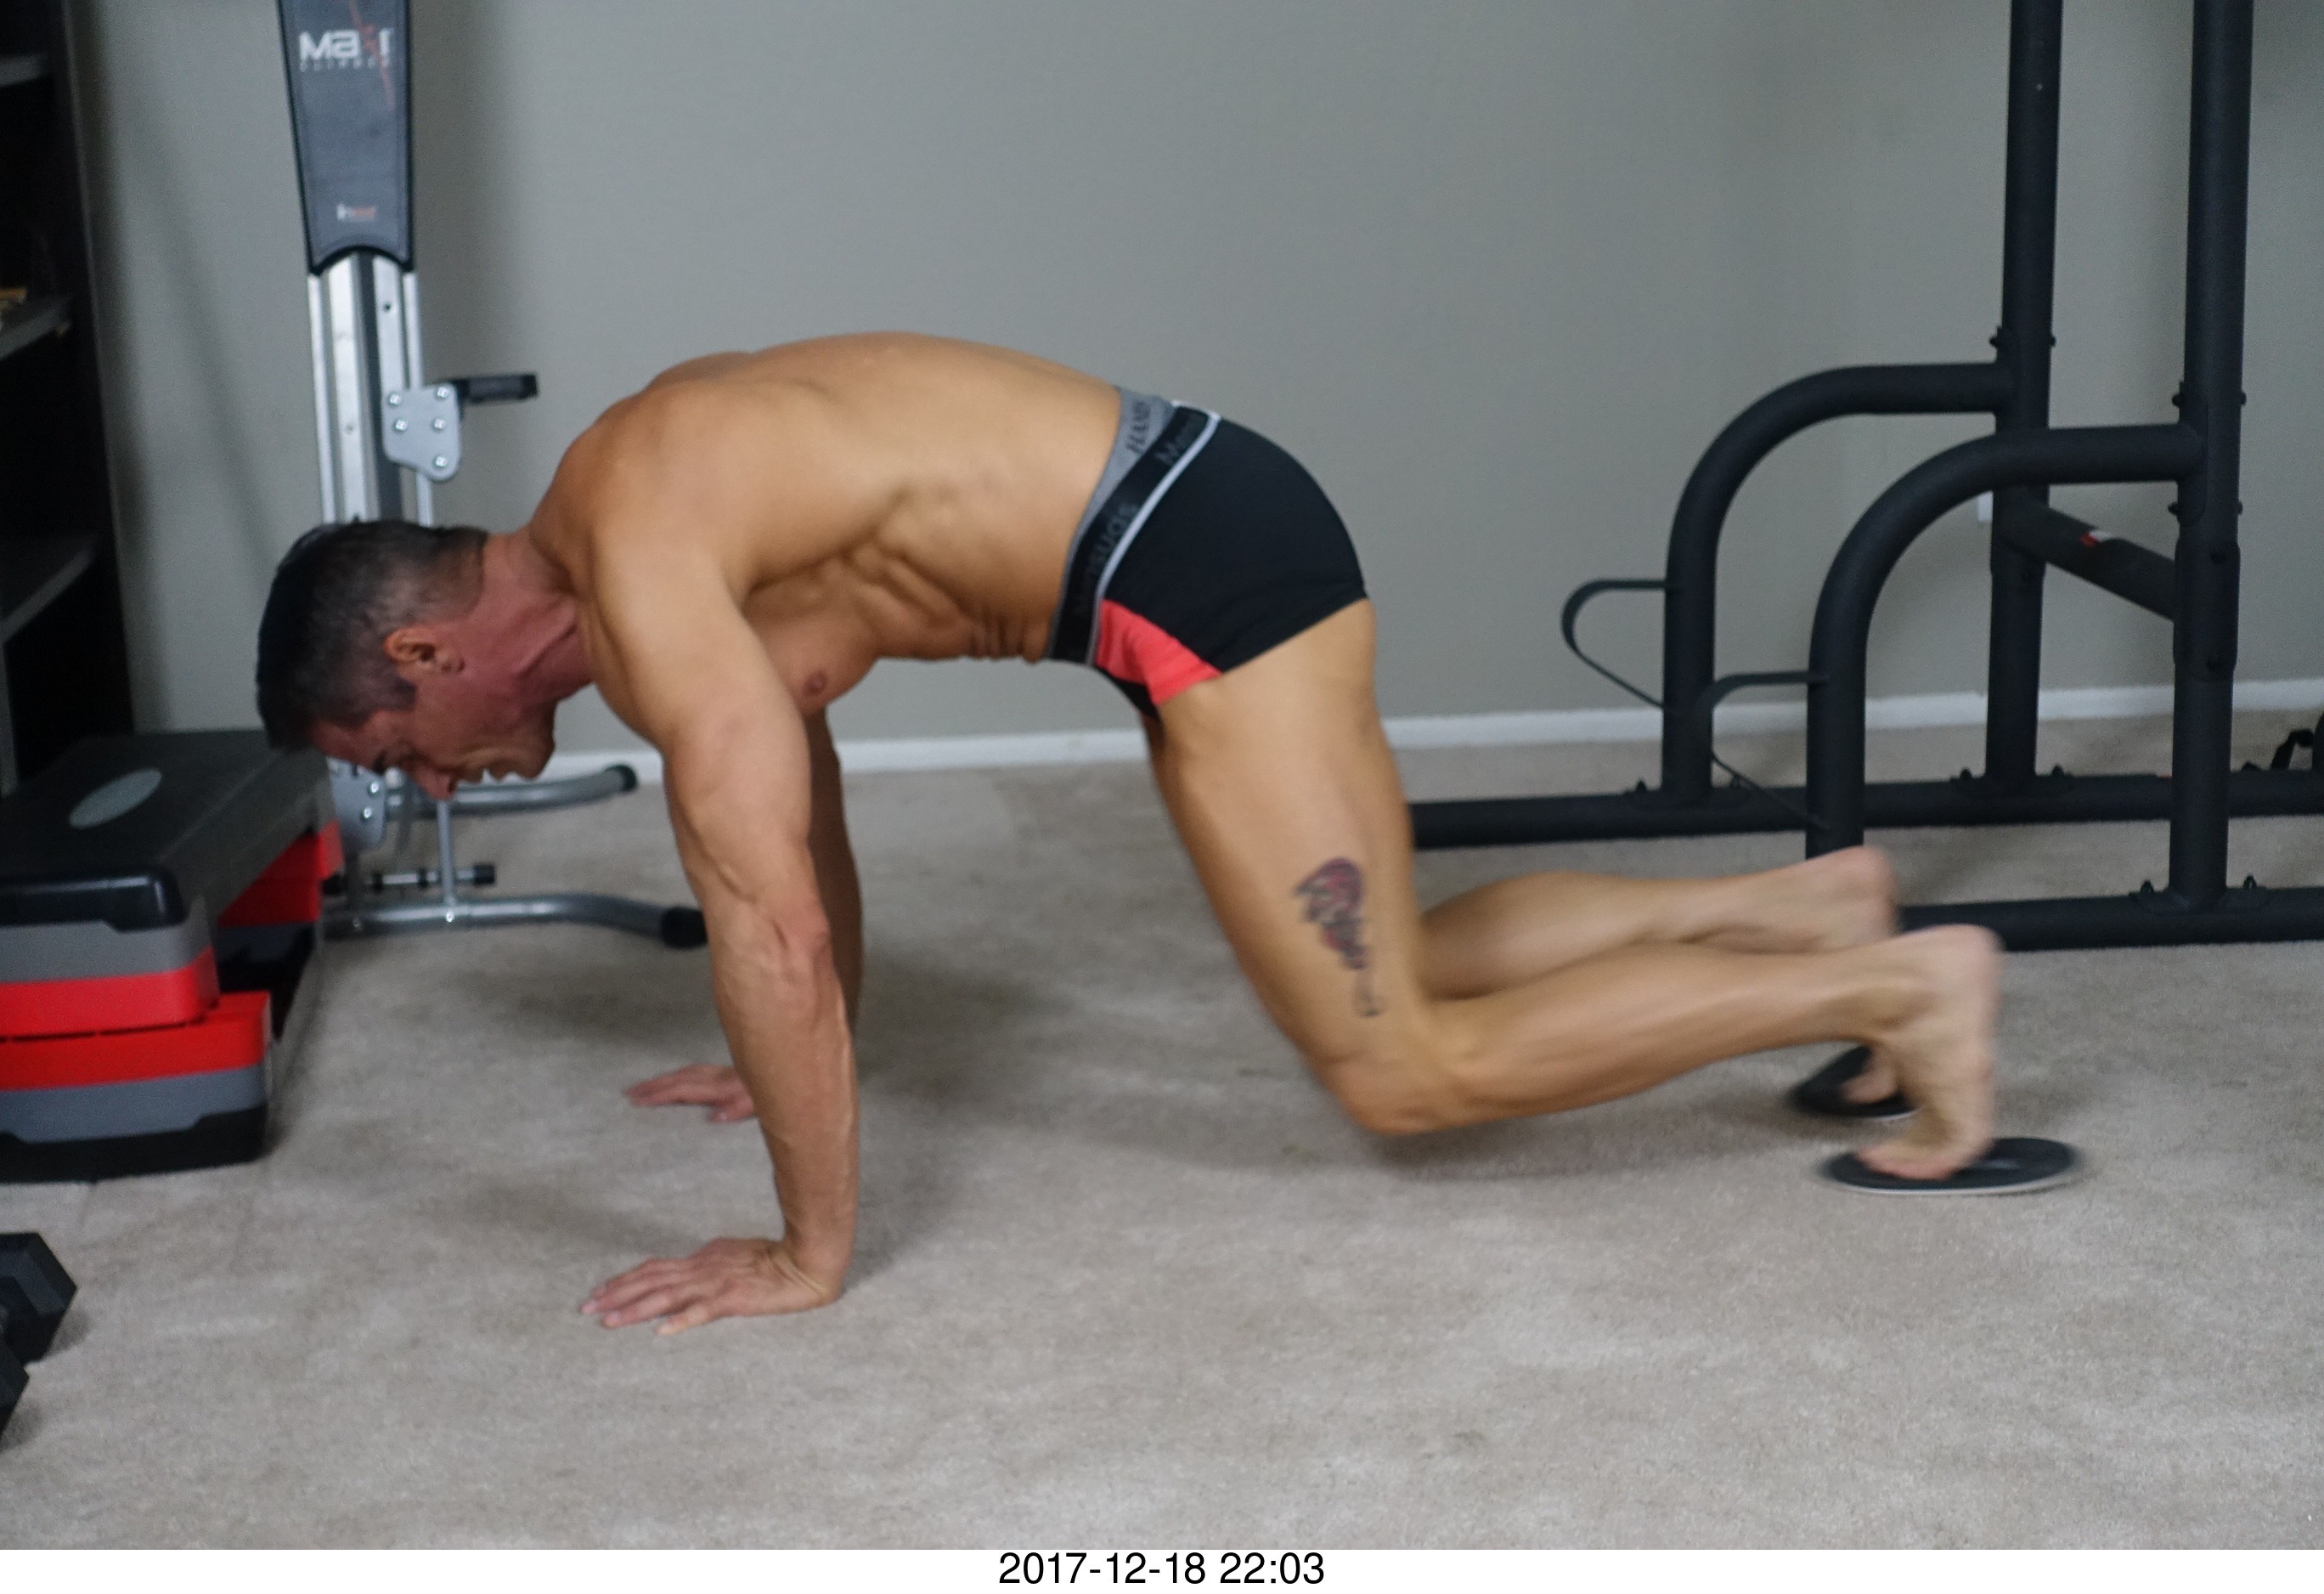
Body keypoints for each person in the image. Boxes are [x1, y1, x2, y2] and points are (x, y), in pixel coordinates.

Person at [256, 334, 2001, 1333]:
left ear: (422, 656)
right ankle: (1810, 909)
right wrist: (814, 1019)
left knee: (1401, 1070)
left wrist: (806, 1249)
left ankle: (1903, 994)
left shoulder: (641, 573)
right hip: (1188, 527)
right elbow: (799, 814)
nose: (429, 785)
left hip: (1190, 566)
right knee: (1389, 959)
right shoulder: (634, 526)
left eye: (394, 752)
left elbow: (768, 924)